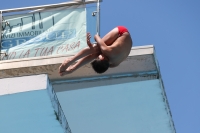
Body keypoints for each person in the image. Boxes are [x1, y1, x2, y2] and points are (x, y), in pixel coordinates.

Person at [59, 26, 132, 76]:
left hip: (127, 44)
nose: (97, 57)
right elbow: (96, 36)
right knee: (96, 49)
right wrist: (91, 45)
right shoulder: (107, 50)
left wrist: (90, 45)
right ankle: (70, 61)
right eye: (98, 58)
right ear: (102, 58)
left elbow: (96, 54)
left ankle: (72, 68)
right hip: (122, 32)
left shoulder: (113, 65)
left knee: (96, 52)